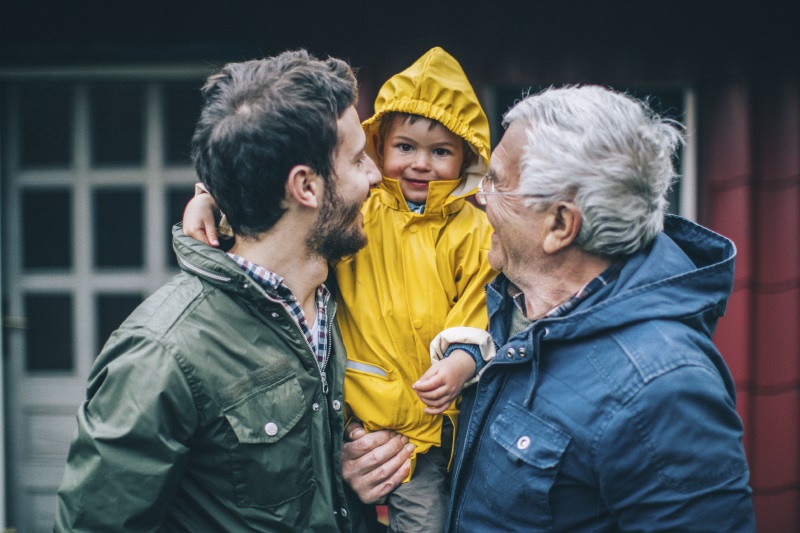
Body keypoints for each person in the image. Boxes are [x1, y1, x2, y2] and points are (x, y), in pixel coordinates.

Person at [344, 85, 757, 531]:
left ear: (559, 224)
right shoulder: (498, 301)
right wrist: (368, 460)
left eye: (497, 182)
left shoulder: (661, 390)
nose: (478, 198)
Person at [54, 50, 388, 532]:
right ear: (306, 187)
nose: (377, 175)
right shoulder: (161, 354)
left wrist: (338, 474)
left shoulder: (345, 292)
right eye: (358, 159)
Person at [183, 46, 497, 532]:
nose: (420, 164)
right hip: (353, 412)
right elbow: (276, 212)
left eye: (441, 152)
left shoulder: (472, 231)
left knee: (431, 519)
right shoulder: (360, 212)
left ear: (467, 157)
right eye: (405, 147)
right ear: (379, 147)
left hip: (431, 426)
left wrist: (461, 359)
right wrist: (212, 201)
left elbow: (477, 302)